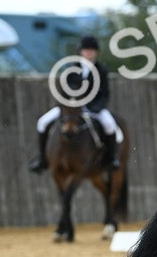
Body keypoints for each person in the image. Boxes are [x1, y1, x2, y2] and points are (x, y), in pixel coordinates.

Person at [28, 35, 121, 173]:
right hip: (71, 109)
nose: (88, 53)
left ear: (96, 52)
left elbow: (104, 95)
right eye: (86, 50)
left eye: (91, 50)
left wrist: (94, 108)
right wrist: (66, 105)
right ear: (81, 52)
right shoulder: (71, 69)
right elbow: (64, 92)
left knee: (109, 125)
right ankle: (43, 159)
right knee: (42, 122)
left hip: (93, 108)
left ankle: (111, 158)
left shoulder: (101, 70)